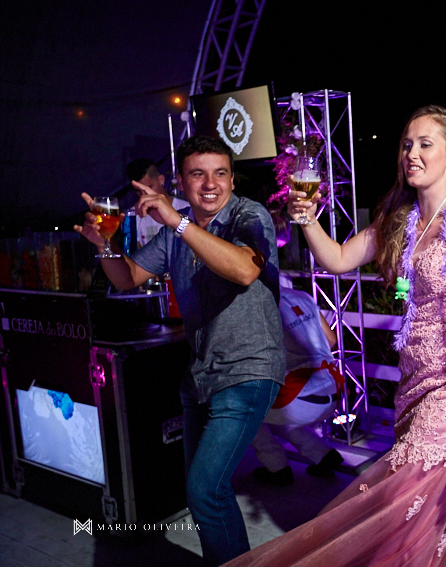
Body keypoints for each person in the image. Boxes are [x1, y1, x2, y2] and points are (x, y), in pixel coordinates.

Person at [225, 105, 446, 566]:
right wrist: (308, 220)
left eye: (425, 144)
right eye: (407, 143)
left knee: (406, 489)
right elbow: (339, 259)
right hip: (414, 380)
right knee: (436, 502)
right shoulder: (400, 219)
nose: (411, 153)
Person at [74, 136, 285, 566]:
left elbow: (246, 270)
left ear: (231, 178)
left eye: (220, 173)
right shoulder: (178, 230)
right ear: (181, 181)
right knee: (206, 493)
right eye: (198, 173)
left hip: (249, 370)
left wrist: (178, 223)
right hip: (200, 378)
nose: (211, 184)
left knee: (205, 489)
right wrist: (105, 244)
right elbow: (127, 277)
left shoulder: (248, 215)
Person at [251, 286, 345, 485]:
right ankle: (324, 455)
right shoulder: (301, 295)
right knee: (278, 410)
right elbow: (331, 340)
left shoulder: (256, 303)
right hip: (334, 388)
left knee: (243, 406)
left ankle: (276, 468)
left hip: (301, 394)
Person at [125, 158, 190, 248]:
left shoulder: (187, 208)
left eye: (149, 187)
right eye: (138, 190)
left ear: (161, 180)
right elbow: (134, 255)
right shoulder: (132, 215)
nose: (144, 194)